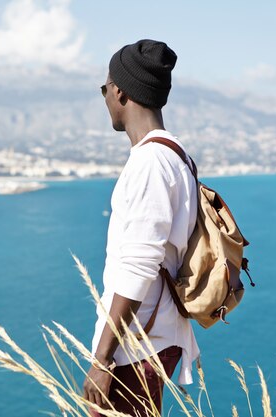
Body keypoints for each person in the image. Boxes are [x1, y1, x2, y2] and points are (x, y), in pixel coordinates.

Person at [84, 39, 200, 416]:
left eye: (105, 88)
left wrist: (102, 360)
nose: (104, 98)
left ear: (120, 92)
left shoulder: (150, 162)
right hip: (154, 338)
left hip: (136, 348)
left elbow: (138, 265)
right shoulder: (177, 156)